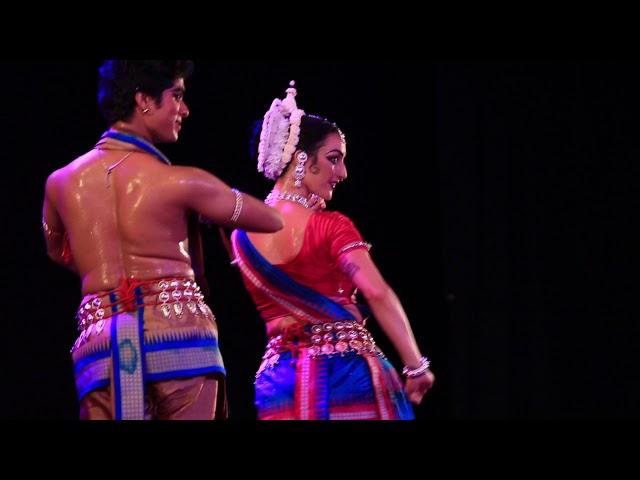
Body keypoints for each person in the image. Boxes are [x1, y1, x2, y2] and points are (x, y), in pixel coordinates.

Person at [42, 60, 283, 420]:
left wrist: (109, 280)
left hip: (101, 346)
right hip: (178, 336)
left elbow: (59, 251)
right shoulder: (182, 183)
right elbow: (271, 219)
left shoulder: (59, 182)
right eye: (177, 96)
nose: (184, 110)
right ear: (143, 100)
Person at [229, 81, 435, 420]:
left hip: (280, 384)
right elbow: (376, 292)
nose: (342, 173)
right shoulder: (330, 225)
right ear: (300, 159)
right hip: (345, 376)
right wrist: (415, 365)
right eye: (333, 159)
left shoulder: (242, 235)